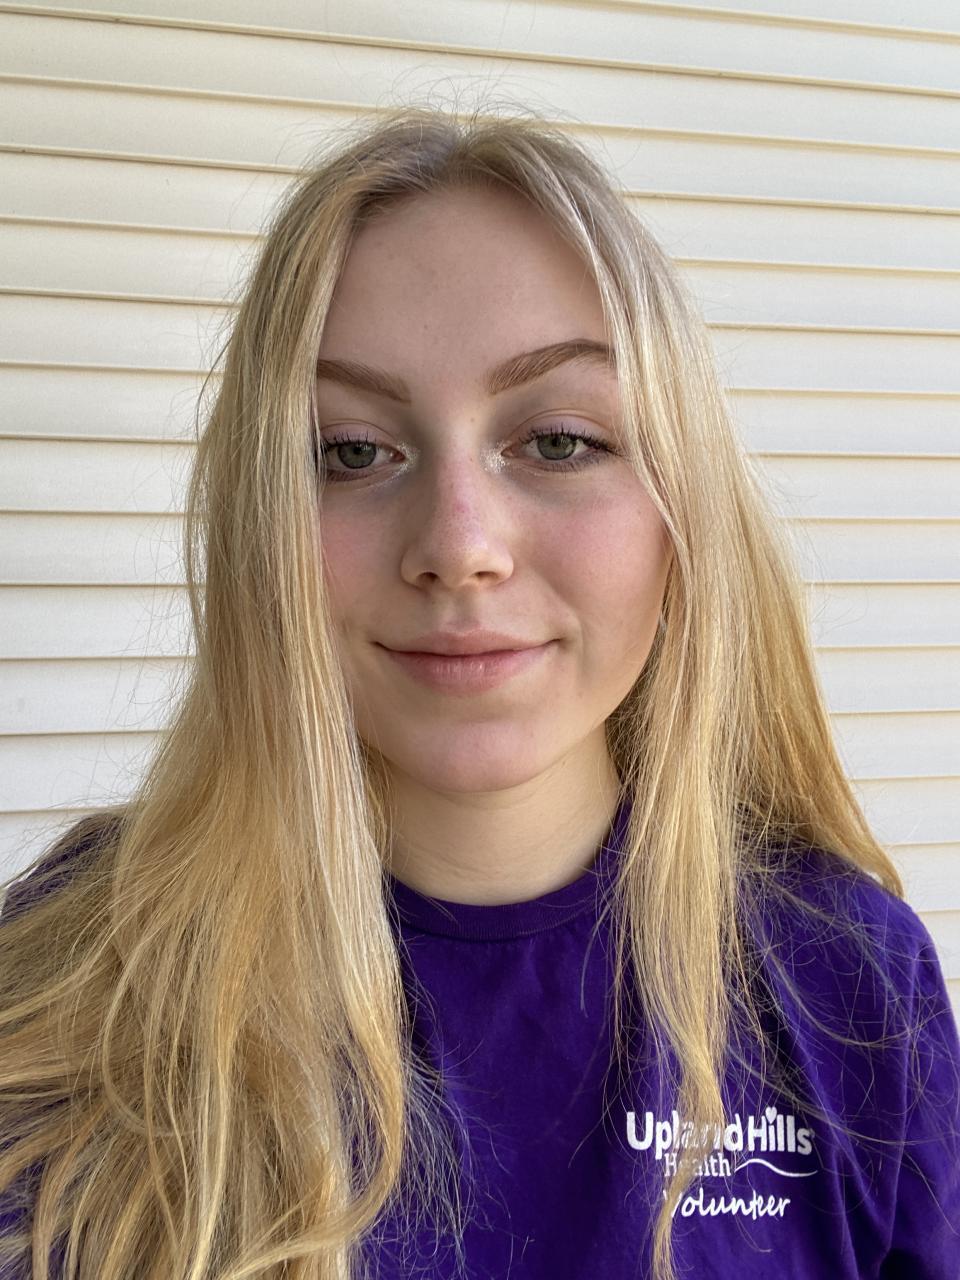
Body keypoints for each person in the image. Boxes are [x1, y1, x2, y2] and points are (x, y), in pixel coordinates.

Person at [0, 103, 957, 1280]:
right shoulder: (72, 983)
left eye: (556, 441)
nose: (459, 546)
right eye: (352, 450)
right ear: (260, 525)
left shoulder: (848, 980)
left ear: (684, 509)